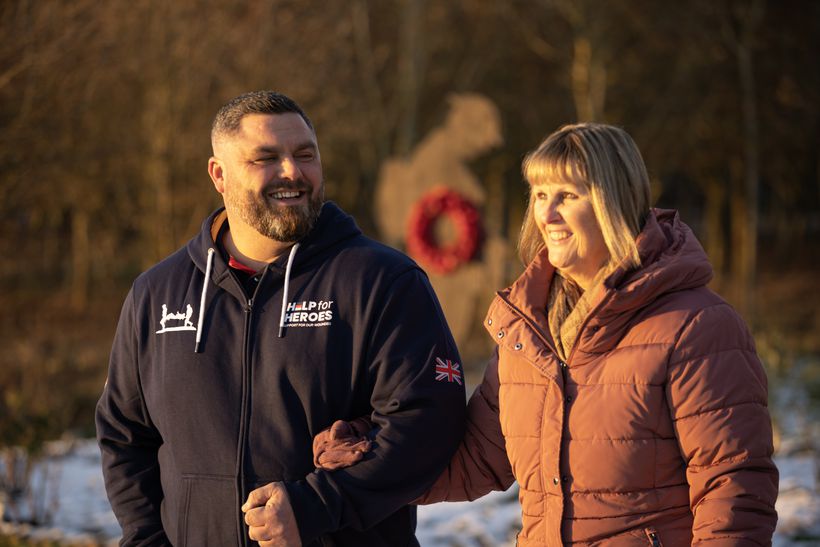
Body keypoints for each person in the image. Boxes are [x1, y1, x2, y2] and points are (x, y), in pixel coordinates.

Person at [314, 123, 779, 545]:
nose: (548, 214)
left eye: (568, 195)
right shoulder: (526, 333)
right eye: (539, 194)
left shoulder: (697, 327)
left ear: (615, 201)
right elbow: (475, 460)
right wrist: (369, 449)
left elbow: (733, 488)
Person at [95, 90, 466, 546]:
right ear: (219, 174)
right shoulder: (156, 293)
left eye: (304, 154)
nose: (292, 172)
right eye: (266, 158)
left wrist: (317, 506)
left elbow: (428, 421)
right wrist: (147, 538)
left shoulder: (383, 281)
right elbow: (125, 437)